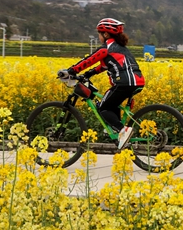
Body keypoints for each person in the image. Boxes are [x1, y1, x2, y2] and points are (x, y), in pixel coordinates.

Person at [59, 18, 144, 149]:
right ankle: (115, 129)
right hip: (136, 81)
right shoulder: (120, 48)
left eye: (99, 34)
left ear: (106, 34)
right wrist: (88, 74)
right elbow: (102, 66)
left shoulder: (107, 48)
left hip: (124, 83)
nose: (98, 37)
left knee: (102, 107)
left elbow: (89, 60)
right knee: (110, 102)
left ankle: (123, 131)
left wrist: (70, 71)